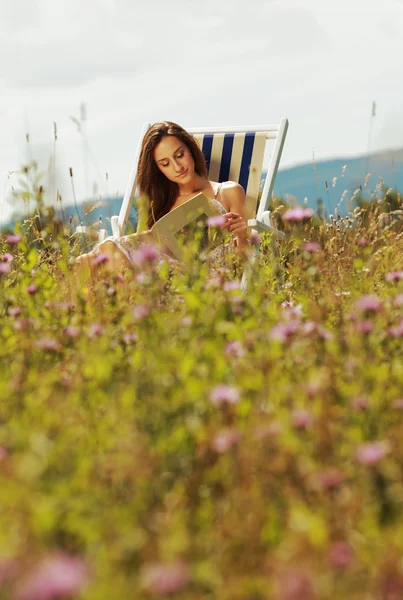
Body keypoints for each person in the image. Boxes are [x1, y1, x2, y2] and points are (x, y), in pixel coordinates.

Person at [74, 121, 250, 279]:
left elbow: (243, 261)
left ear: (190, 149)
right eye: (165, 164)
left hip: (205, 277)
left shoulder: (228, 191)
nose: (177, 167)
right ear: (159, 170)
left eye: (180, 155)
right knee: (85, 261)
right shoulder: (161, 204)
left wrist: (242, 235)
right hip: (162, 274)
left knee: (107, 252)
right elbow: (149, 254)